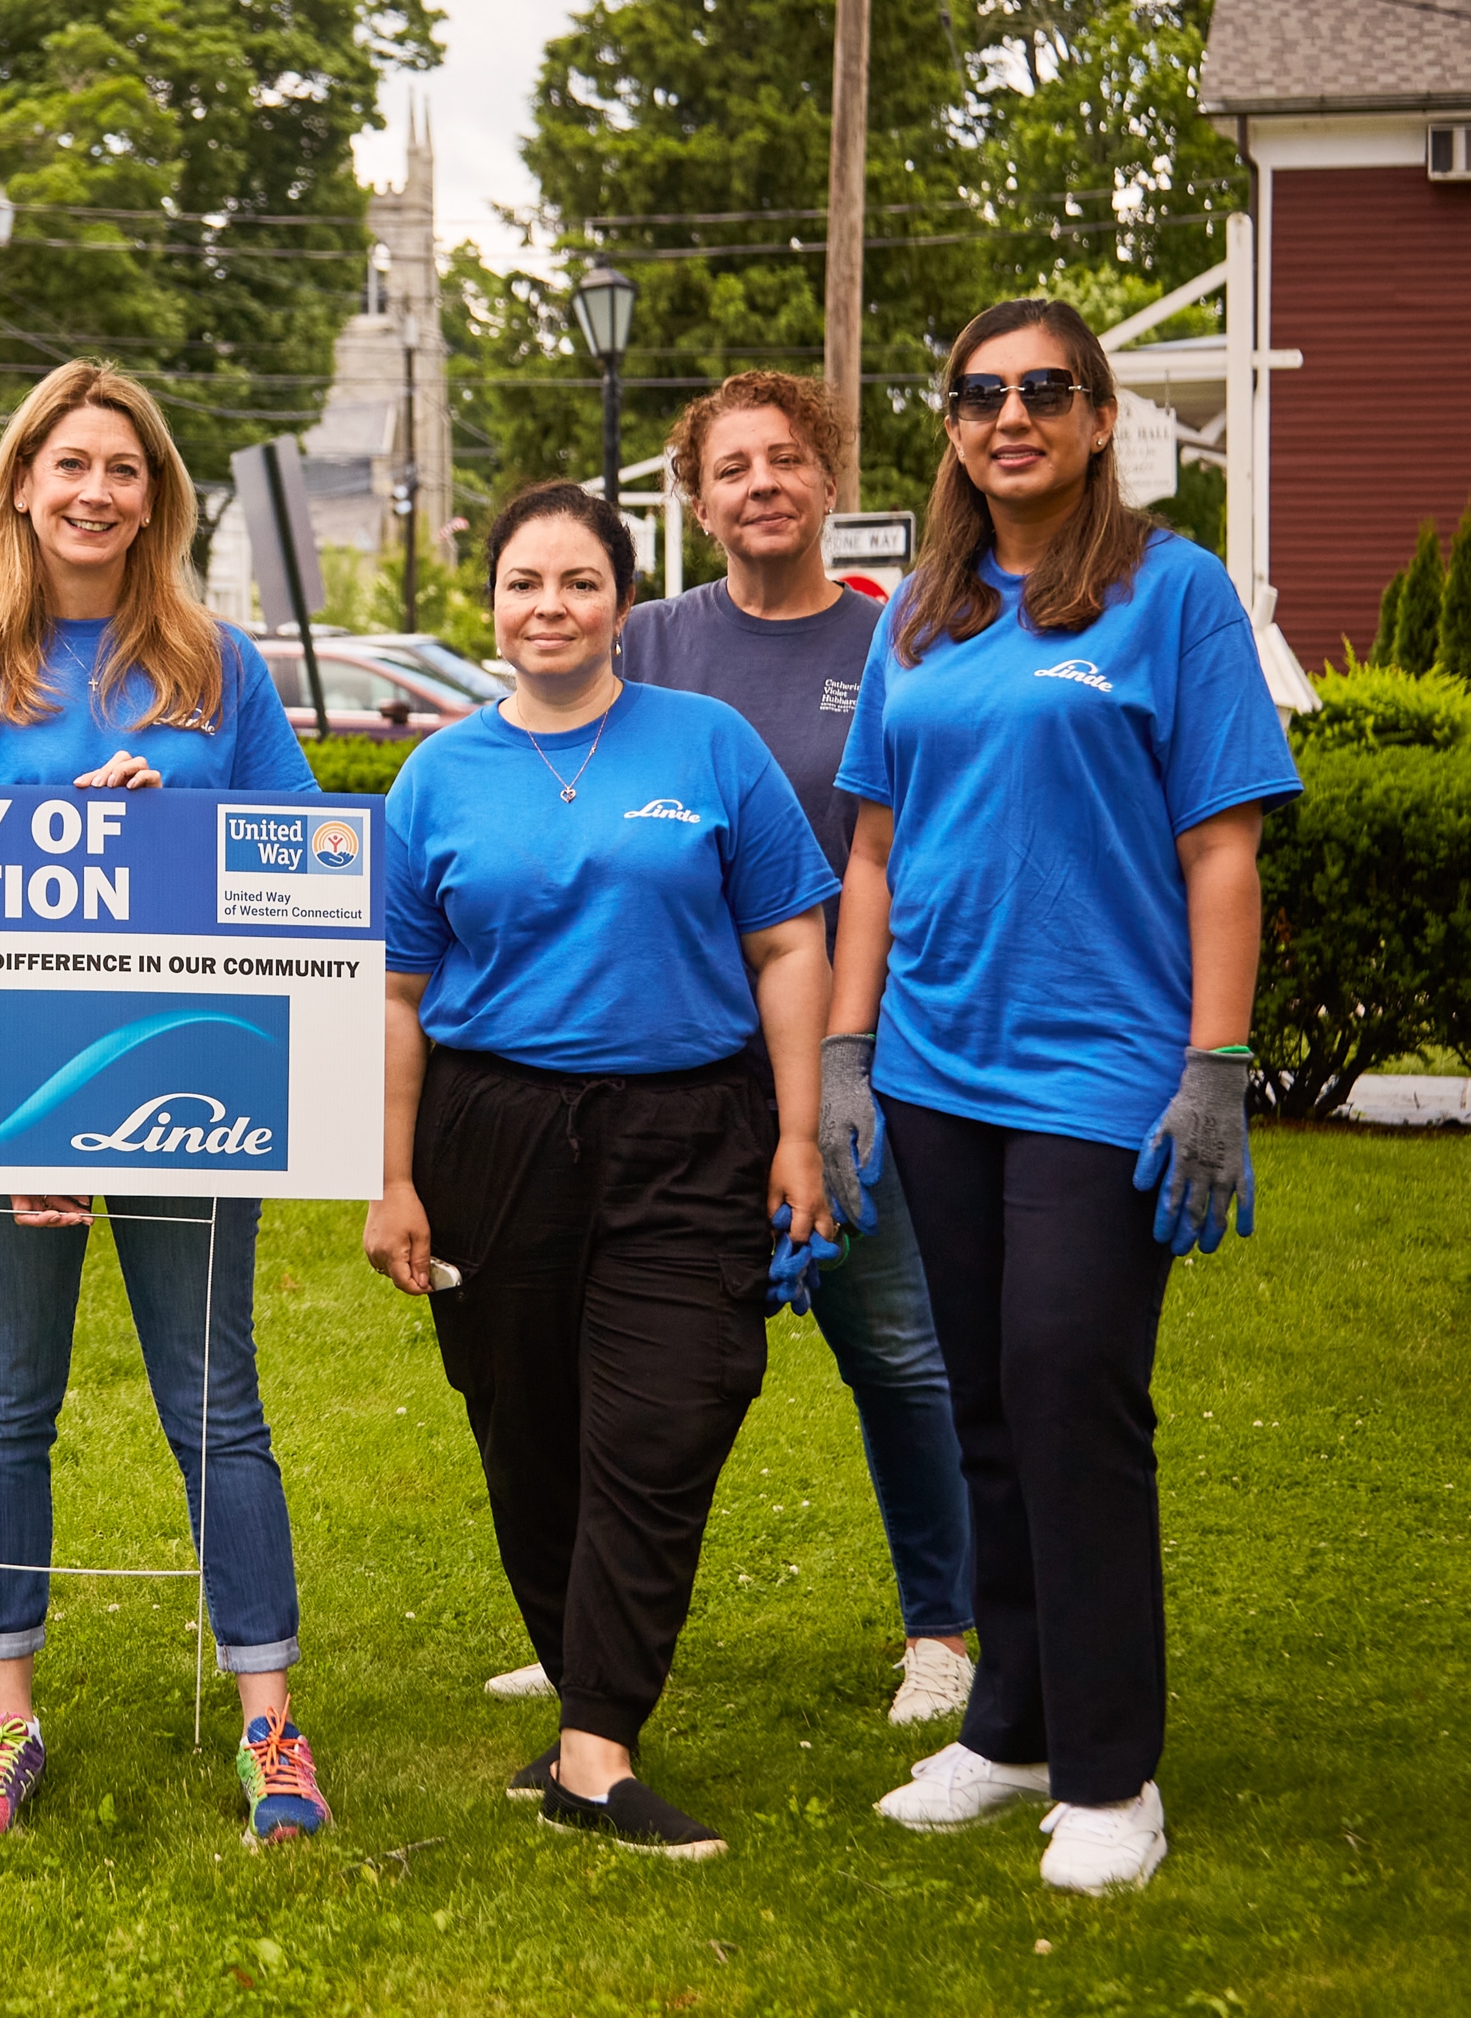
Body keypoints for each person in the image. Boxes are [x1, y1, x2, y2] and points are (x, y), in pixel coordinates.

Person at [831, 300, 1297, 1893]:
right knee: (985, 1407)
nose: (1008, 414)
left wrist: (1216, 1069)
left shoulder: (1174, 595)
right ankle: (1013, 1724)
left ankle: (1112, 1770)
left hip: (1103, 1066)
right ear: (951, 424)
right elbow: (876, 849)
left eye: (1044, 390)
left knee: (1068, 1387)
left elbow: (1222, 844)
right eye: (978, 393)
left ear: (1099, 418)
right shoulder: (921, 615)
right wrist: (843, 1054)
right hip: (935, 1065)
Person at [0, 360, 334, 1845]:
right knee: (5, 1402)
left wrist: (185, 821)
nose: (95, 491)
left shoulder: (218, 662)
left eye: (124, 469)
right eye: (69, 464)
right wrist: (10, 1122)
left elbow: (299, 861)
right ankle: (3, 1716)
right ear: (20, 480)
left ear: (158, 496)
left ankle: (272, 1725)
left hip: (191, 1077)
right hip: (7, 1096)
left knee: (218, 1403)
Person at [364, 480, 840, 1860]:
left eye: (578, 582)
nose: (549, 607)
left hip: (690, 1127)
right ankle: (591, 1720)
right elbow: (397, 995)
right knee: (525, 1427)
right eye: (524, 583)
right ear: (492, 604)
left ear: (622, 603)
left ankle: (594, 1745)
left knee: (673, 1404)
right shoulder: (439, 773)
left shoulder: (711, 743)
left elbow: (788, 947)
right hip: (491, 1132)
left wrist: (799, 1132)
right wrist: (393, 1177)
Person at [610, 370, 979, 1727]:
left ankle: (942, 1625)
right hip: (673, 1062)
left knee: (895, 1347)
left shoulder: (906, 636)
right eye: (730, 468)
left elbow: (915, 852)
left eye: (785, 460)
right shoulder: (645, 641)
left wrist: (853, 1052)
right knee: (646, 1359)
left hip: (848, 1058)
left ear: (830, 480)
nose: (760, 484)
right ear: (697, 500)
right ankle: (591, 1617)